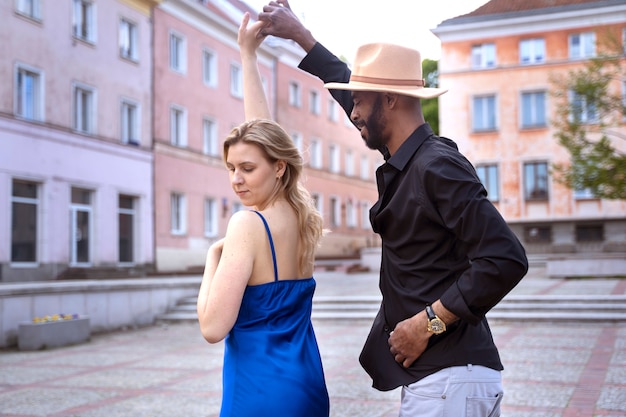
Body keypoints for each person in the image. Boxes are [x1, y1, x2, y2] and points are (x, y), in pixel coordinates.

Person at [258, 2, 529, 416]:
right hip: (442, 381)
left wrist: (428, 322)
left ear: (389, 100)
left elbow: (504, 258)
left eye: (360, 103)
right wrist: (301, 37)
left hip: (449, 380)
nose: (352, 112)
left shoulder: (437, 166)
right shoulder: (410, 159)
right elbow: (350, 87)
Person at [196, 12, 329, 417]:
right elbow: (264, 132)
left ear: (278, 168)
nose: (236, 179)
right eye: (231, 168)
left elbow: (212, 328)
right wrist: (248, 56)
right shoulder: (297, 211)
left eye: (246, 169)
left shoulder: (246, 224)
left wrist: (211, 259)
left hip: (259, 392)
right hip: (305, 384)